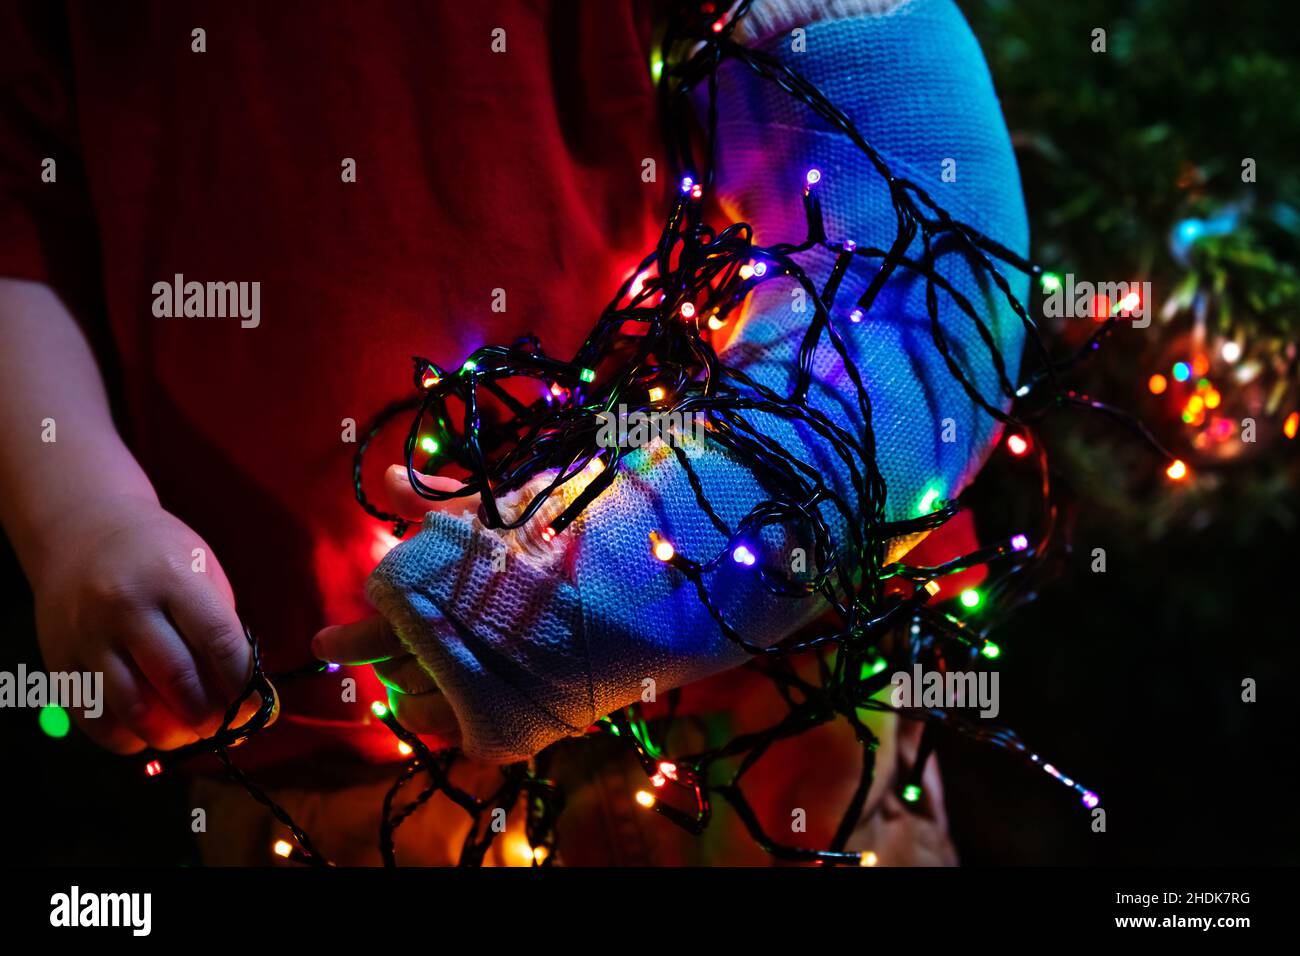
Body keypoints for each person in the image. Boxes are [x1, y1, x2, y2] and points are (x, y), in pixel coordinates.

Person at [0, 0, 1024, 865]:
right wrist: (80, 513)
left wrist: (600, 582)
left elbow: (920, 288)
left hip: (763, 722)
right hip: (315, 754)